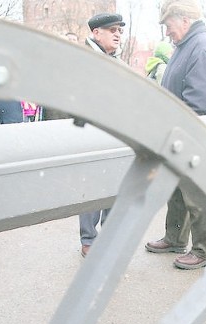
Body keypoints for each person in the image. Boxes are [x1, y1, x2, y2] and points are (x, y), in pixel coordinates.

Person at [144, 0, 206, 270]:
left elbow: (199, 101)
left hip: (195, 134)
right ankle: (175, 238)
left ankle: (203, 249)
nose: (167, 32)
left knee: (196, 193)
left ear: (184, 20)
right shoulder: (187, 46)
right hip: (181, 132)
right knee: (177, 190)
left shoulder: (201, 48)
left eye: (168, 25)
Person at [79, 12, 126, 257]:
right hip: (90, 135)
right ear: (96, 33)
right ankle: (89, 240)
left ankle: (108, 238)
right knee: (91, 190)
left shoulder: (117, 61)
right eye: (112, 30)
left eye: (120, 31)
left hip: (115, 137)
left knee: (114, 188)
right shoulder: (82, 59)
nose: (118, 34)